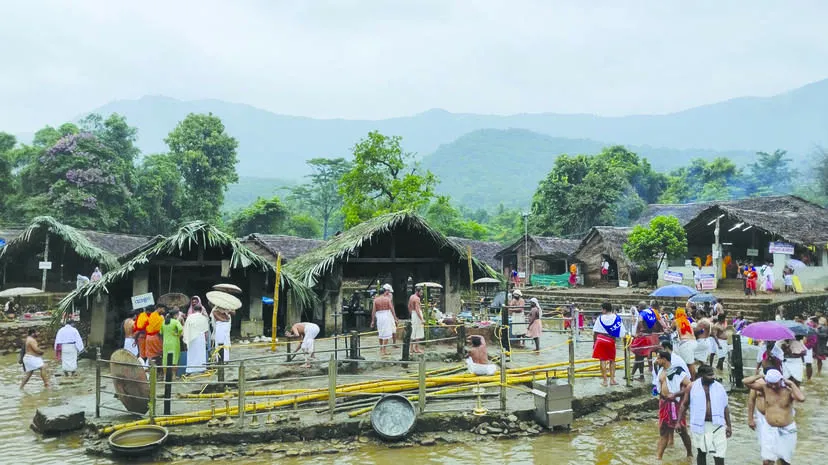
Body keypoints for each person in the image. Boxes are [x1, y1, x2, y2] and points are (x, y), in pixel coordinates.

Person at [743, 369, 805, 465]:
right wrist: (760, 376)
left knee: (784, 461)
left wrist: (792, 384)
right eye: (770, 383)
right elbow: (745, 382)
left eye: (775, 384)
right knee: (767, 461)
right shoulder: (764, 388)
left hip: (787, 430)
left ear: (780, 380)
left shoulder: (788, 391)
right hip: (769, 428)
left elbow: (801, 398)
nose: (773, 386)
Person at [679, 365, 731, 465]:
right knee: (701, 452)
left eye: (713, 374)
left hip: (717, 425)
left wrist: (729, 426)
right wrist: (678, 422)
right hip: (700, 425)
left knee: (719, 454)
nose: (712, 377)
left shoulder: (719, 387)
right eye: (709, 375)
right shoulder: (692, 387)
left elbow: (725, 407)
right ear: (701, 375)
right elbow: (684, 405)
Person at [655, 350, 693, 460]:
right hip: (664, 403)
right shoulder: (660, 371)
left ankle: (689, 454)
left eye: (658, 358)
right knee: (663, 431)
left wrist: (676, 394)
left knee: (681, 430)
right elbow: (659, 387)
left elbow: (690, 385)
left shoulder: (678, 371)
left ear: (664, 359)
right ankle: (659, 458)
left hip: (675, 404)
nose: (656, 361)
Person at [592, 302, 626, 386]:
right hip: (610, 340)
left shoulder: (600, 318)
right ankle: (612, 380)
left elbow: (595, 332)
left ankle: (604, 381)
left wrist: (594, 342)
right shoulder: (617, 318)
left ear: (604, 309)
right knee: (612, 360)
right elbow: (622, 332)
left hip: (600, 340)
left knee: (602, 360)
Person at [631, 301, 664, 381]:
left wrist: (640, 331)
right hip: (652, 337)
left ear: (640, 307)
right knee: (638, 357)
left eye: (638, 307)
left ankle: (641, 376)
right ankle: (631, 375)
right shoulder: (653, 312)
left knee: (639, 357)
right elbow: (659, 323)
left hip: (644, 337)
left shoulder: (642, 314)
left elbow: (640, 322)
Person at [371, 284, 398, 356]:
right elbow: (392, 309)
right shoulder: (387, 299)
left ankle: (381, 348)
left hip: (379, 316)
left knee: (381, 332)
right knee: (387, 333)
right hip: (386, 315)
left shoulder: (375, 300)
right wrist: (395, 318)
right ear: (384, 292)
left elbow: (373, 311)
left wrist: (373, 321)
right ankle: (383, 350)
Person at [183, 308, 209, 374]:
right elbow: (206, 331)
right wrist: (206, 340)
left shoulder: (190, 317)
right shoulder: (204, 318)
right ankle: (202, 368)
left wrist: (186, 338)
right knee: (201, 353)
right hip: (201, 337)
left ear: (194, 310)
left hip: (192, 336)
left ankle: (190, 370)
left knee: (192, 353)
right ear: (201, 310)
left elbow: (186, 328)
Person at [673, 308, 698, 379]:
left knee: (690, 364)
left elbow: (671, 329)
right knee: (689, 362)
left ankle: (693, 380)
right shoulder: (687, 321)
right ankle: (689, 378)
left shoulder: (675, 321)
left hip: (686, 344)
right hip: (694, 342)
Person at [160, 309, 184, 377]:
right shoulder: (176, 322)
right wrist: (177, 334)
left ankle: (165, 376)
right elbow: (180, 329)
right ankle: (173, 375)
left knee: (165, 359)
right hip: (174, 343)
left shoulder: (164, 322)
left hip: (165, 343)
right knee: (174, 359)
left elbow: (161, 332)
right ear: (175, 315)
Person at [408, 286, 425, 354]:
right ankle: (416, 348)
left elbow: (409, 306)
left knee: (413, 331)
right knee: (418, 331)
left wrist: (411, 314)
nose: (421, 294)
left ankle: (411, 348)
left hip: (413, 314)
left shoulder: (411, 297)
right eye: (421, 292)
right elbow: (417, 310)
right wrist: (422, 319)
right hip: (417, 315)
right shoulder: (417, 298)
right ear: (417, 292)